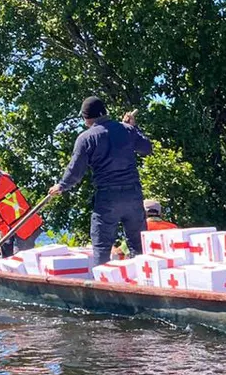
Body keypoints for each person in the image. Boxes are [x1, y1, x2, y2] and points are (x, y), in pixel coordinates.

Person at [48, 96, 152, 265]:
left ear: (86, 118)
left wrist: (61, 185)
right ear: (105, 112)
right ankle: (143, 284)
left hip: (108, 198)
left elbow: (75, 171)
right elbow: (147, 148)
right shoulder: (127, 130)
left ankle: (102, 284)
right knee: (138, 246)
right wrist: (134, 128)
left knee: (102, 247)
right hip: (133, 195)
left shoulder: (86, 138)